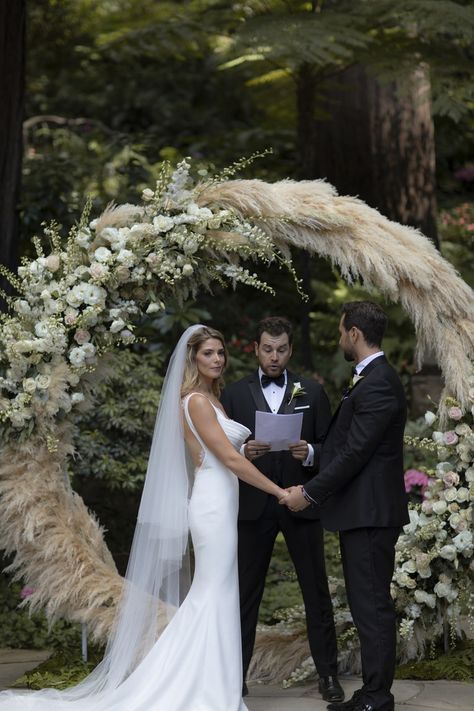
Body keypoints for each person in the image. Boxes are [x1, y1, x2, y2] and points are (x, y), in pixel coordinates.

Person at [0, 325, 289, 711]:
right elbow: (227, 460)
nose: (218, 359)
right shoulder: (197, 402)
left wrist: (248, 451)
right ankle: (198, 688)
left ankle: (212, 684)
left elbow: (224, 453)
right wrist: (280, 491)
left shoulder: (212, 399)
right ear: (192, 359)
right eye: (208, 354)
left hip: (222, 499)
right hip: (213, 505)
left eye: (221, 353)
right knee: (212, 593)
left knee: (218, 593)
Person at [283, 302, 409, 711]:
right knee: (364, 603)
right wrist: (313, 454)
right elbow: (349, 445)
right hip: (362, 512)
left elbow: (356, 453)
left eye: (341, 332)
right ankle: (372, 692)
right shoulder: (370, 379)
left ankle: (378, 697)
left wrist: (310, 493)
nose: (340, 339)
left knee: (371, 606)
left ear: (355, 333)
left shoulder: (378, 383)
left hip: (370, 513)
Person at [221, 316, 343, 703]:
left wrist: (309, 451)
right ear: (255, 349)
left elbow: (332, 449)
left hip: (300, 502)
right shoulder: (234, 394)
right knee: (243, 596)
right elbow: (217, 451)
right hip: (252, 507)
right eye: (268, 349)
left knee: (316, 593)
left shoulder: (313, 392)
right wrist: (244, 451)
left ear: (290, 350)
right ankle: (234, 678)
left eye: (282, 349)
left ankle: (328, 676)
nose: (275, 357)